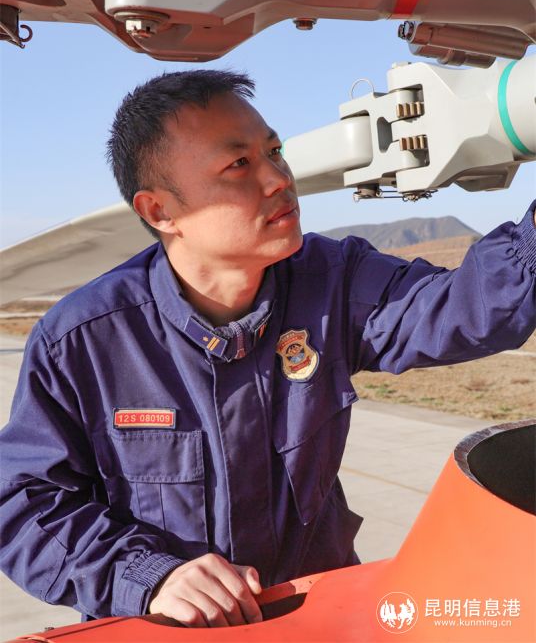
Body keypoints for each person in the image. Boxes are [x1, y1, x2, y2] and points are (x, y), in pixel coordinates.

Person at [0, 70, 534, 629]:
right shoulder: (83, 339)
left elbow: (464, 309)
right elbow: (24, 504)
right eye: (239, 164)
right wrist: (148, 576)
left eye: (275, 152)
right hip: (176, 633)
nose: (280, 178)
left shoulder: (334, 281)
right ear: (160, 211)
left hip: (318, 618)